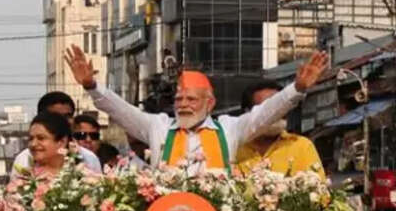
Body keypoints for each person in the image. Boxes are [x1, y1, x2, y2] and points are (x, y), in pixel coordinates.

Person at [66, 44, 328, 173]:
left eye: (191, 99)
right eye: (179, 99)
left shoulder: (229, 128)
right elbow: (122, 111)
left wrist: (297, 88)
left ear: (209, 103)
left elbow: (266, 112)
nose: (183, 105)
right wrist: (91, 85)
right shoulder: (158, 126)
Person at [235, 80, 326, 178]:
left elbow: (318, 190)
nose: (276, 115)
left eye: (280, 108)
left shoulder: (301, 146)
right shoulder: (233, 149)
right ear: (248, 113)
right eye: (268, 111)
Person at [10, 92, 102, 176]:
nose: (63, 121)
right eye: (56, 116)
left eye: (68, 116)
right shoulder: (24, 160)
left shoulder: (89, 158)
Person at [17, 112, 73, 179]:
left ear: (62, 142)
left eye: (41, 138)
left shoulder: (80, 176)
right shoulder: (24, 179)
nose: (33, 144)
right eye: (31, 138)